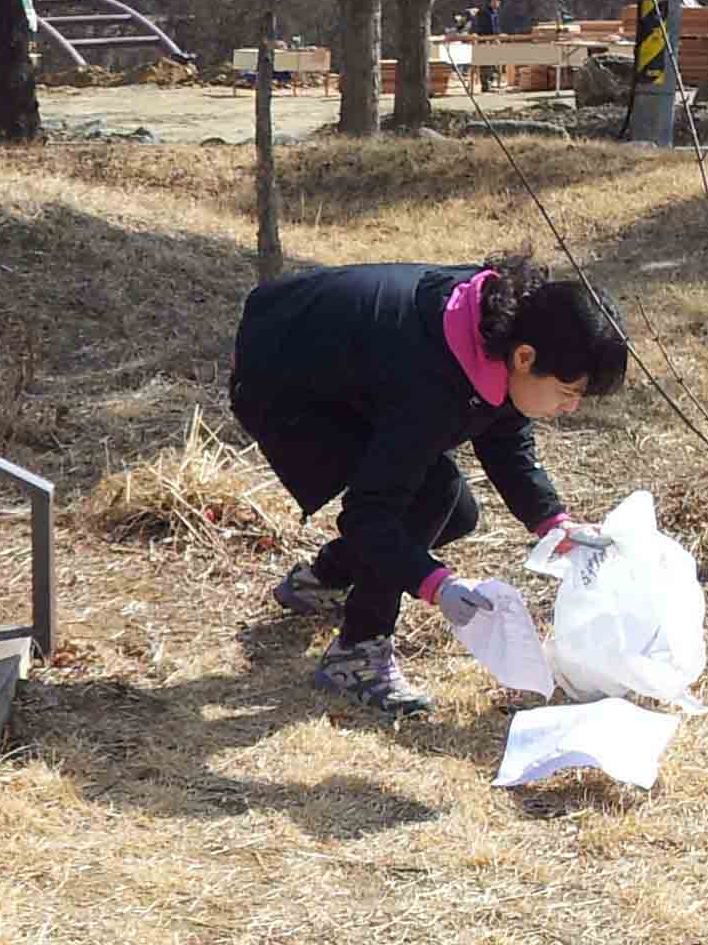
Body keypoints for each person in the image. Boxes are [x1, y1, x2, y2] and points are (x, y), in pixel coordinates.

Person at [229, 256, 630, 717]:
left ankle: (325, 578)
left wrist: (553, 522)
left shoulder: (505, 328)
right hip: (281, 380)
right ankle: (358, 651)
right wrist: (436, 585)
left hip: (326, 357)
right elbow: (368, 513)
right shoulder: (430, 378)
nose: (570, 408)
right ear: (525, 358)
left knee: (457, 514)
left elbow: (504, 432)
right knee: (429, 496)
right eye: (568, 392)